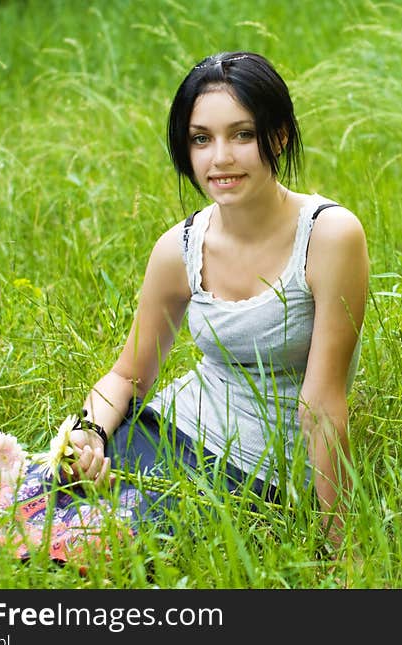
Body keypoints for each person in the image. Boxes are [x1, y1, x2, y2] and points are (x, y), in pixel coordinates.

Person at [63, 51, 369, 548]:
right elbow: (126, 376)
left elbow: (322, 404)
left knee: (114, 551)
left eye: (242, 135)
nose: (219, 158)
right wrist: (89, 434)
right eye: (201, 139)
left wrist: (343, 549)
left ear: (279, 136)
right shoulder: (179, 247)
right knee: (18, 510)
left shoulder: (329, 236)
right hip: (164, 430)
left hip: (253, 474)